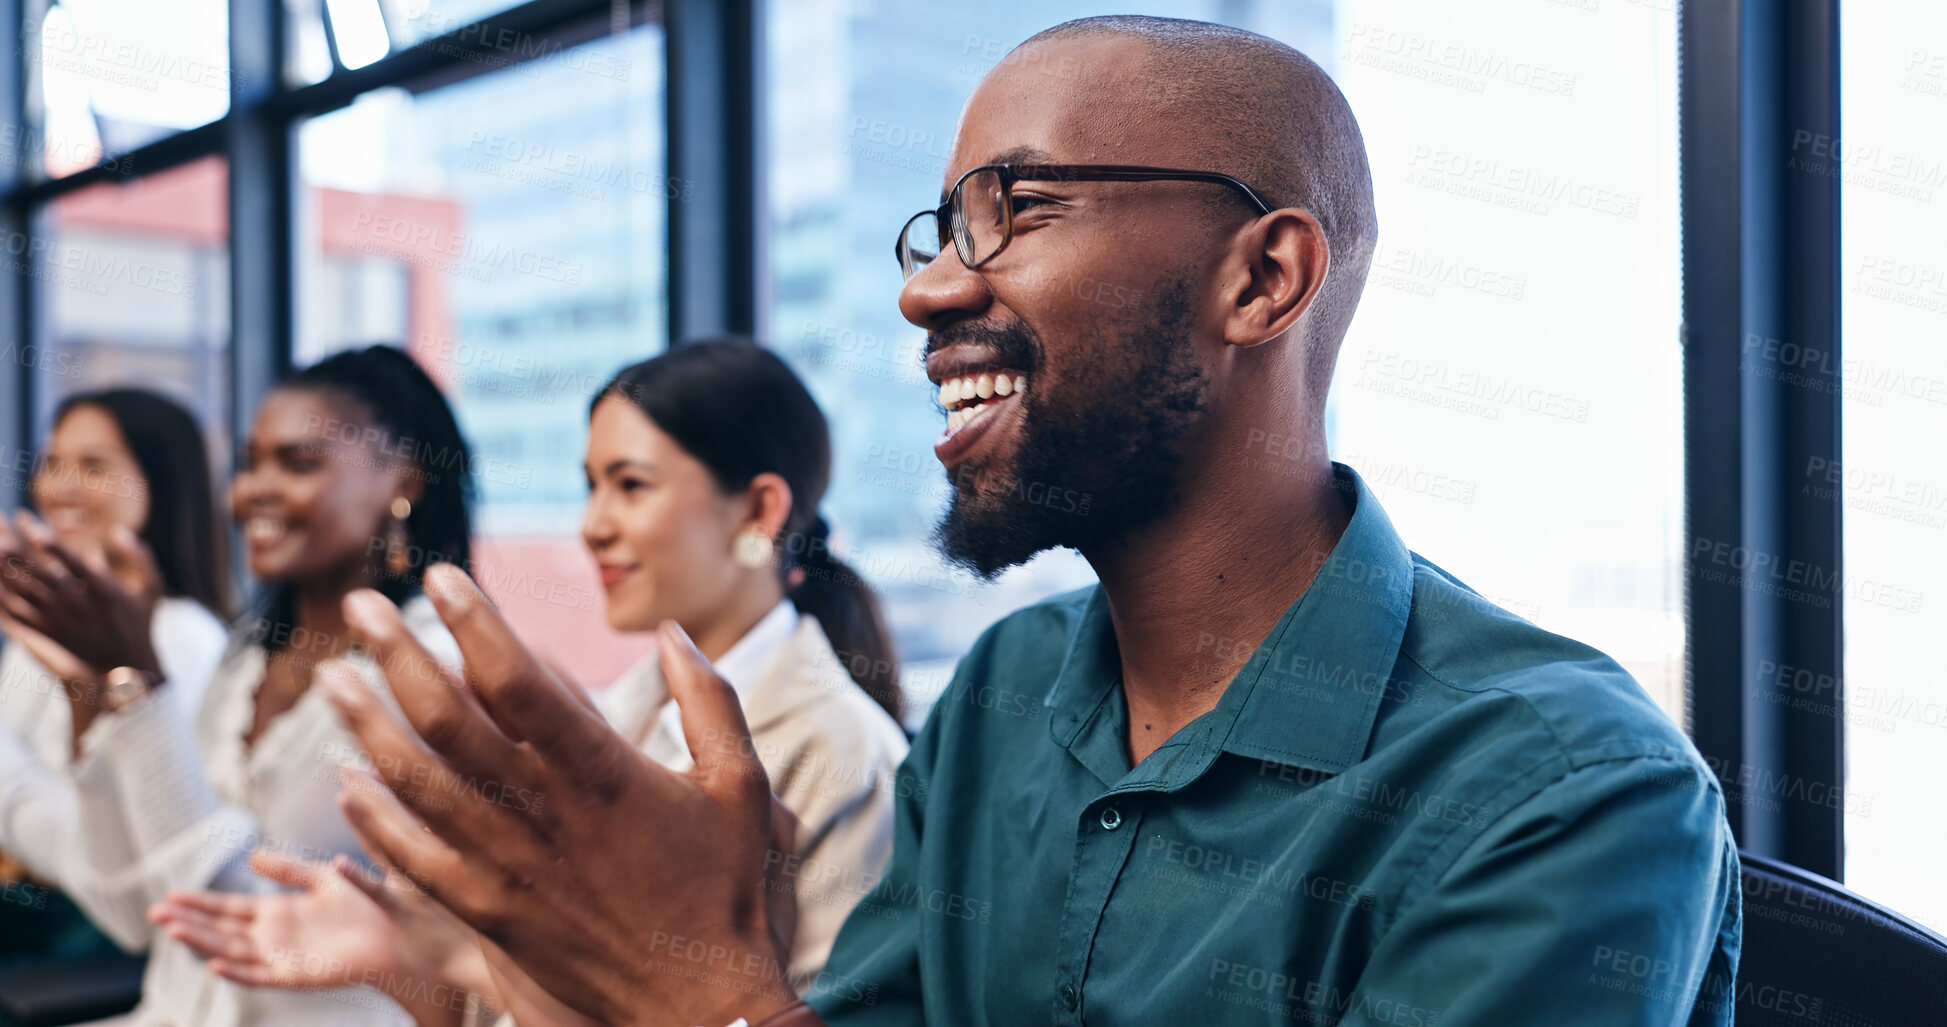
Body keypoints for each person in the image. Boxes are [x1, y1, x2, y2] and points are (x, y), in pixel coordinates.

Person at [301, 17, 1741, 1027]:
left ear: (1261, 280)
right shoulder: (1005, 692)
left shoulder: (1556, 793)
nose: (931, 290)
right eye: (936, 231)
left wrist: (706, 995)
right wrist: (565, 968)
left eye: (1023, 207)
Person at [151, 338, 911, 1021]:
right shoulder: (619, 719)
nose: (592, 524)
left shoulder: (843, 752)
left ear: (756, 508)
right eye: (590, 485)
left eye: (631, 484)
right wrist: (416, 964)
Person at [0, 346, 476, 1025]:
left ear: (404, 478)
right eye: (250, 463)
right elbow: (137, 912)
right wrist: (95, 690)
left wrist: (139, 684)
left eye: (299, 463)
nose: (254, 490)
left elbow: (246, 908)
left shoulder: (420, 666)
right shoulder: (249, 654)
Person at [0, 390, 231, 949]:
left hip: (85, 934)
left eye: (94, 465)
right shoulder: (45, 624)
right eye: (52, 462)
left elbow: (145, 844)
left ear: (160, 482)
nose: (59, 486)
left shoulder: (183, 635)